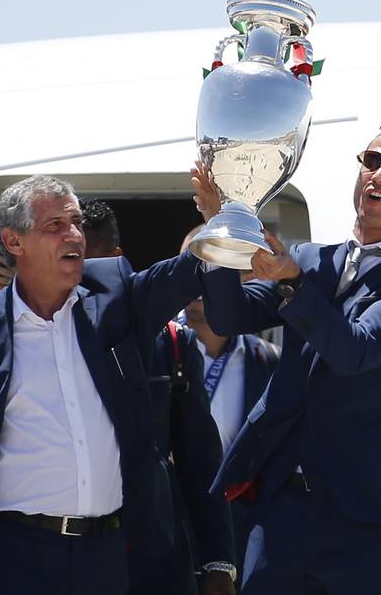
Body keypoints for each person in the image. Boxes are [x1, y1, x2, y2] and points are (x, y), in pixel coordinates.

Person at [194, 119, 381, 594]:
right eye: (371, 161)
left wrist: (293, 281)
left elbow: (355, 350)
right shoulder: (314, 259)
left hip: (366, 519)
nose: (378, 175)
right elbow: (228, 315)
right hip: (281, 511)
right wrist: (224, 233)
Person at [0, 175, 208, 595]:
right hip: (16, 557)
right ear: (13, 242)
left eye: (75, 221)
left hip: (107, 555)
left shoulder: (113, 301)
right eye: (54, 225)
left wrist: (220, 216)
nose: (74, 234)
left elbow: (184, 273)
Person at [82, 201, 237, 595]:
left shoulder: (171, 343)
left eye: (90, 266)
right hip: (66, 553)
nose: (79, 282)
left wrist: (218, 563)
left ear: (118, 263)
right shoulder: (36, 339)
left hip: (152, 556)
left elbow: (200, 458)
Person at [180, 225, 280, 586]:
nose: (194, 280)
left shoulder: (267, 360)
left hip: (235, 533)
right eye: (189, 265)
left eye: (208, 267)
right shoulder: (156, 349)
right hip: (170, 528)